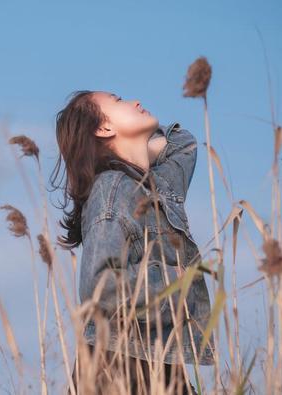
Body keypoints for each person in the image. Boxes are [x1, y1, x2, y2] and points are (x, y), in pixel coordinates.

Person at [50, 90, 215, 394]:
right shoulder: (111, 189)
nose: (136, 101)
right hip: (119, 367)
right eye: (119, 100)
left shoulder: (155, 185)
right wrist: (168, 281)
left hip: (153, 361)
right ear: (103, 128)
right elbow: (100, 285)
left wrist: (136, 155)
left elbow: (184, 144)